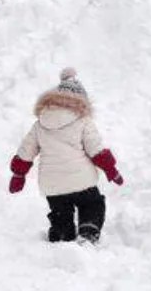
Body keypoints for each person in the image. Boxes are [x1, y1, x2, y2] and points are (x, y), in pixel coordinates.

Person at [7, 68, 124, 244]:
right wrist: (110, 169)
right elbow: (97, 150)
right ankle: (88, 230)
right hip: (81, 181)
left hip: (53, 184)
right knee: (92, 204)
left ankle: (61, 233)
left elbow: (25, 153)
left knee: (60, 210)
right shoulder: (84, 121)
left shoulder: (40, 125)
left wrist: (18, 174)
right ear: (82, 101)